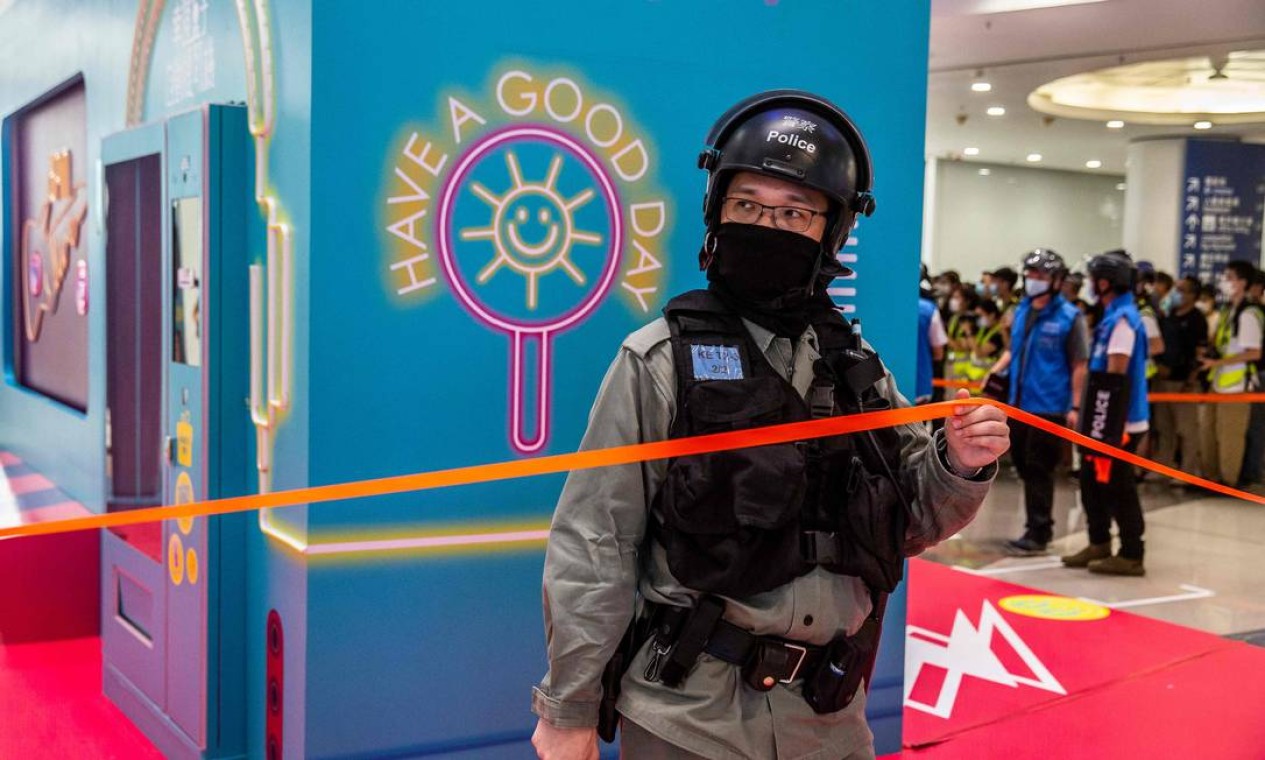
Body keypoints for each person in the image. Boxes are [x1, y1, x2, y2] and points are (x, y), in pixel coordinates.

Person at [530, 90, 1010, 760]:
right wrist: (570, 709)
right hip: (688, 725)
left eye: (794, 213)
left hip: (829, 723)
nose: (767, 225)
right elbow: (594, 546)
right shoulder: (658, 361)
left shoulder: (857, 371)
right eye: (747, 205)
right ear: (715, 212)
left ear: (830, 232)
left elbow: (911, 520)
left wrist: (958, 464)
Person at [985, 249, 1088, 555]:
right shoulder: (1022, 311)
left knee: (1038, 468)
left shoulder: (1071, 317)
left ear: (1055, 281)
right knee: (1022, 465)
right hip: (1019, 402)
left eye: (1040, 276)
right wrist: (996, 371)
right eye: (1029, 275)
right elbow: (1014, 350)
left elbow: (1079, 364)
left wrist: (1075, 407)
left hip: (1049, 406)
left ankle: (1039, 530)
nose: (1033, 281)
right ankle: (1034, 525)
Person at [1062, 250, 1150, 575]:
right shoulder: (1112, 316)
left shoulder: (1124, 320)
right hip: (1100, 421)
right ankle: (1098, 541)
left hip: (1118, 423)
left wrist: (1103, 427)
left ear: (1104, 282)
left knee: (1119, 488)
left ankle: (1131, 552)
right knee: (1090, 484)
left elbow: (1116, 376)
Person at [1199, 261, 1263, 488]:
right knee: (1209, 430)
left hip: (1237, 384)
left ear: (1242, 283)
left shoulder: (1249, 314)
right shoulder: (1228, 311)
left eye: (1230, 277)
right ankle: (1211, 477)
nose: (1225, 282)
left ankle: (1228, 481)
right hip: (1218, 380)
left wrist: (1219, 361)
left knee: (1230, 436)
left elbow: (1254, 352)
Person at [1153, 276, 1208, 482]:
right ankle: (1163, 467)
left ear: (1193, 295)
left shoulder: (1197, 319)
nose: (1177, 294)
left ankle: (1187, 471)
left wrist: (1191, 379)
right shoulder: (1168, 317)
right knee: (1164, 426)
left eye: (1182, 290)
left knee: (1186, 429)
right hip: (1163, 379)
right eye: (1176, 289)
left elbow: (1200, 353)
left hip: (1184, 382)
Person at [916, 279, 949, 404]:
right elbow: (938, 353)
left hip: (883, 387)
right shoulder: (928, 309)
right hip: (919, 385)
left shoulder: (884, 304)